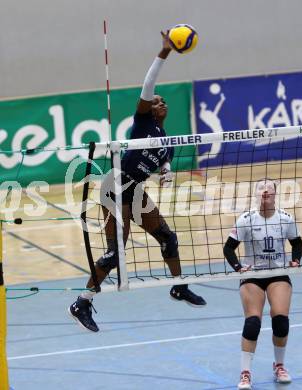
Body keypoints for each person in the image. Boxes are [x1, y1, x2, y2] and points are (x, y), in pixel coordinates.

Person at [68, 30, 206, 333]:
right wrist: (165, 51)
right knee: (115, 252)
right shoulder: (142, 123)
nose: (160, 101)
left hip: (137, 191)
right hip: (115, 187)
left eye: (162, 101)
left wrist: (167, 170)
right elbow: (148, 85)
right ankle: (82, 301)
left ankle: (179, 286)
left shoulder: (167, 140)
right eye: (155, 101)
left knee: (169, 238)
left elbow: (162, 157)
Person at [223, 178, 302, 389]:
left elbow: (297, 242)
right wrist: (238, 267)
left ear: (275, 194)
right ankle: (245, 372)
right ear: (256, 194)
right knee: (252, 323)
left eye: (269, 188)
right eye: (260, 188)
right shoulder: (246, 220)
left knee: (280, 320)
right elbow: (228, 248)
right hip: (253, 275)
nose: (265, 191)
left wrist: (296, 260)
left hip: (278, 274)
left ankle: (279, 365)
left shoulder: (286, 219)